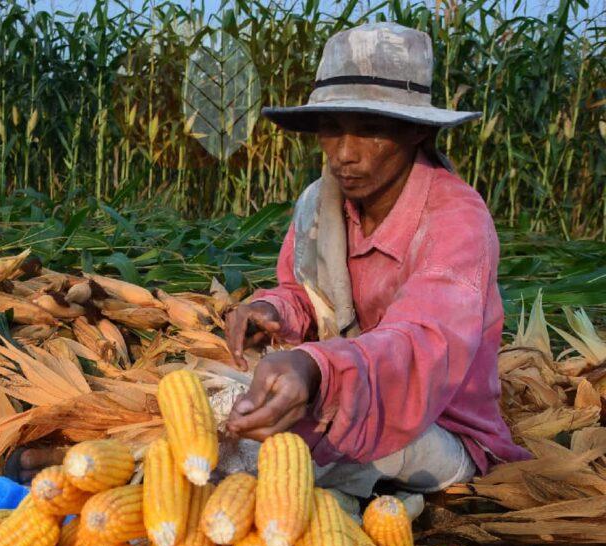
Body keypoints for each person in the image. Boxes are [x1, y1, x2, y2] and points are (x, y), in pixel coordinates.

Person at [224, 22, 528, 499]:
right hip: (346, 388)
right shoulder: (318, 206)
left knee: (285, 449)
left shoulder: (456, 221)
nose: (345, 155)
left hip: (438, 425)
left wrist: (317, 370)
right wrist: (274, 311)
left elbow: (419, 344)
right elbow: (307, 295)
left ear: (415, 133)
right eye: (331, 129)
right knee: (224, 411)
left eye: (370, 130)